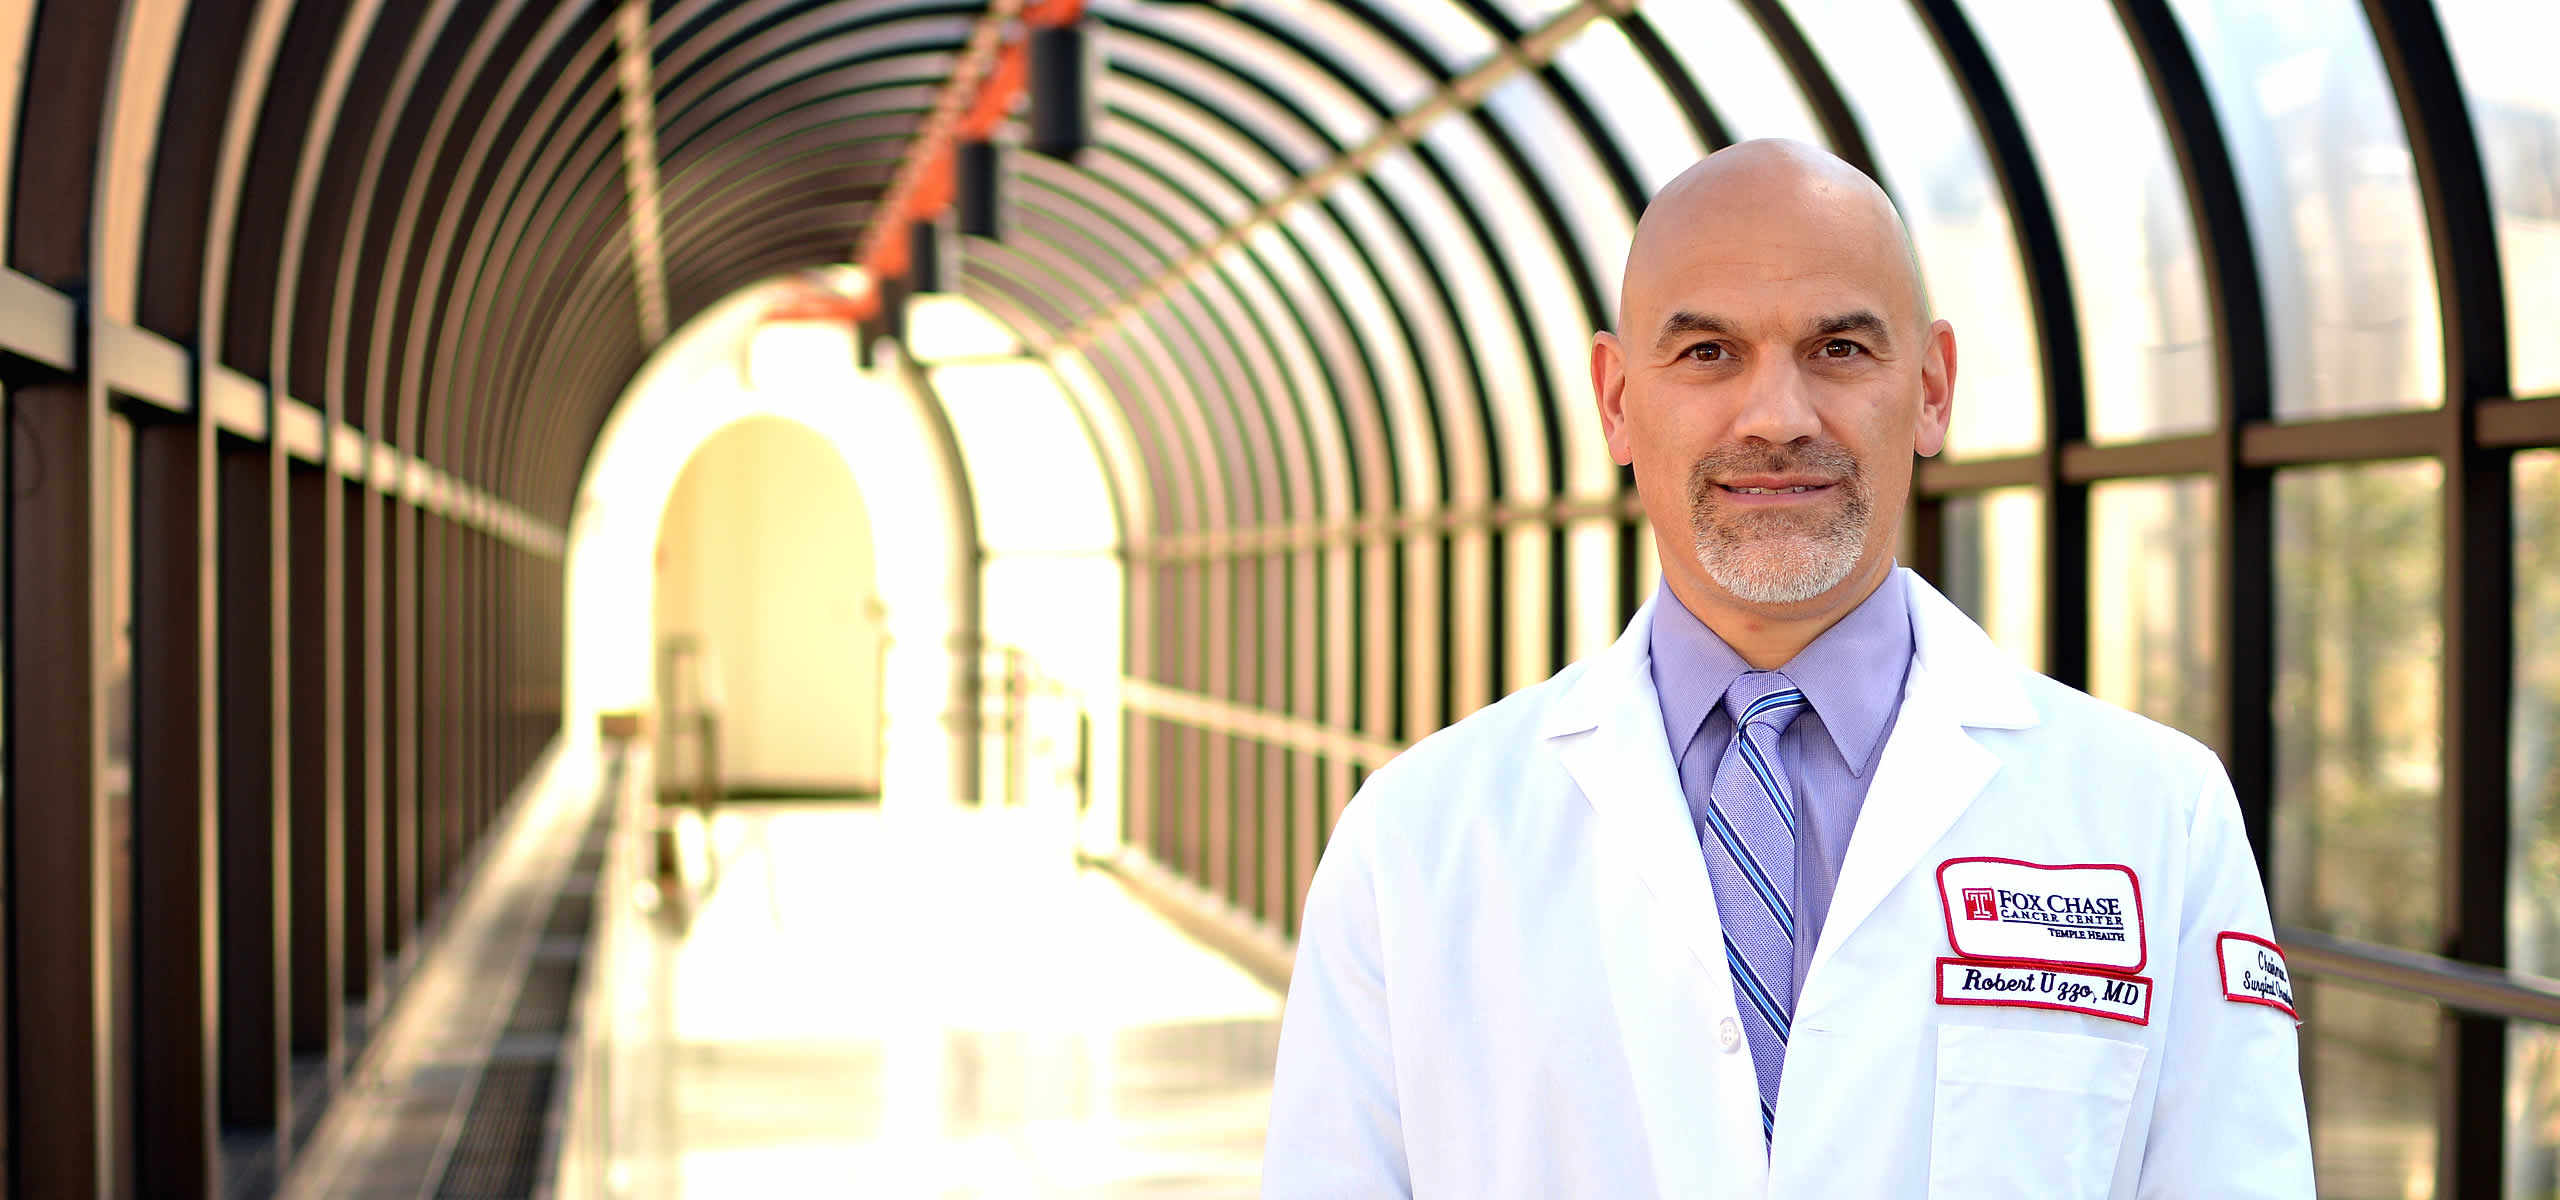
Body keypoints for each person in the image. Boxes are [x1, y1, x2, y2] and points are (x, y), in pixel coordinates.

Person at [1260, 140, 2313, 1197]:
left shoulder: (2155, 815)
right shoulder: (1417, 837)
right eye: (1709, 353)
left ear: (1933, 388)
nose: (1776, 418)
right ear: (1618, 401)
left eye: (1840, 349)